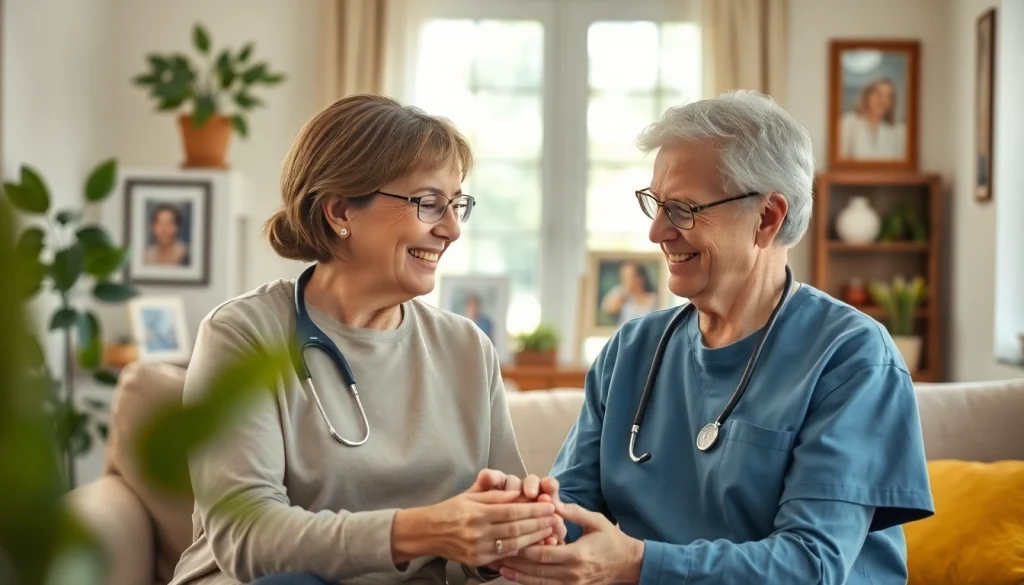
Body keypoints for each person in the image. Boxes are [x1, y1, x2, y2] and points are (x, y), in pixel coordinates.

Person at [495, 90, 935, 585]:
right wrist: (516, 527)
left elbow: (811, 566)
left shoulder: (852, 358)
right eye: (655, 205)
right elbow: (571, 518)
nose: (657, 231)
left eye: (682, 209)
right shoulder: (631, 351)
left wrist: (639, 565)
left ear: (767, 218)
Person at [167, 94, 565, 585]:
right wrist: (424, 530)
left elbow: (489, 540)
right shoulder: (243, 335)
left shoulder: (466, 348)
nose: (452, 229)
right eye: (429, 203)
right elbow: (248, 538)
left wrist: (505, 534)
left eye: (457, 205)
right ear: (339, 211)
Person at [840, 77, 907, 160]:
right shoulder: (848, 122)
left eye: (889, 96)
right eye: (878, 94)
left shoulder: (898, 130)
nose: (883, 100)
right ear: (866, 96)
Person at [599, 261, 658, 326]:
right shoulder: (620, 292)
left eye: (629, 276)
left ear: (640, 278)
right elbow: (609, 309)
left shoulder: (652, 298)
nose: (625, 280)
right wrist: (623, 294)